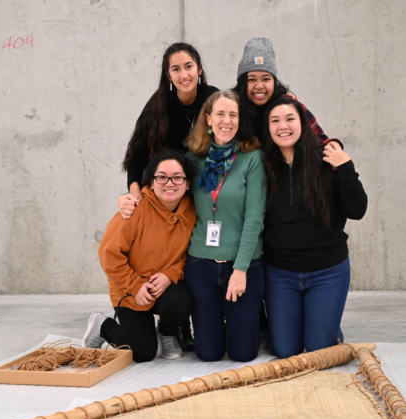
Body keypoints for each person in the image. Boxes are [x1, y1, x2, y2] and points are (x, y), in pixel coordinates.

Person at [233, 37, 342, 344]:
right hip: (248, 191)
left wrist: (338, 155)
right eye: (251, 79)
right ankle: (267, 320)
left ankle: (320, 322)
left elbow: (320, 138)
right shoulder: (237, 109)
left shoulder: (289, 105)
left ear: (274, 81)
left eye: (265, 79)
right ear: (243, 82)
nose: (259, 86)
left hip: (281, 191)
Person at [119, 42, 218, 351]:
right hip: (163, 195)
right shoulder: (158, 105)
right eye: (175, 68)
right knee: (165, 255)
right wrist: (135, 196)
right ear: (168, 74)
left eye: (188, 66)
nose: (183, 73)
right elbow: (135, 157)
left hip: (203, 194)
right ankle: (170, 324)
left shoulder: (213, 99)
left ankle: (178, 322)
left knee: (193, 256)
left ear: (199, 69)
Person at [261, 97, 367, 359]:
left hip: (327, 271)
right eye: (275, 121)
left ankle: (327, 326)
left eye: (290, 119)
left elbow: (357, 210)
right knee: (286, 350)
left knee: (319, 350)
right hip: (280, 273)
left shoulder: (326, 159)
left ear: (302, 124)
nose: (283, 126)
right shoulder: (261, 166)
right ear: (267, 128)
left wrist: (345, 166)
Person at [82, 151, 196, 362]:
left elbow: (187, 254)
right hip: (129, 289)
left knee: (184, 301)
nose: (170, 183)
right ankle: (103, 326)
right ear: (151, 183)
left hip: (161, 285)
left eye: (177, 177)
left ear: (187, 183)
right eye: (161, 177)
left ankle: (166, 332)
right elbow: (108, 253)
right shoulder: (134, 210)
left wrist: (170, 275)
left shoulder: (190, 212)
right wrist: (135, 286)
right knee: (143, 353)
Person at [184, 90, 267, 362]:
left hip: (243, 266)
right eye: (220, 114)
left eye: (233, 115)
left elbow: (254, 217)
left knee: (242, 354)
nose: (227, 121)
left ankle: (246, 327)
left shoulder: (252, 158)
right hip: (201, 265)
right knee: (207, 353)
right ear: (208, 119)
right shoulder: (193, 159)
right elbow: (168, 196)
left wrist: (240, 268)